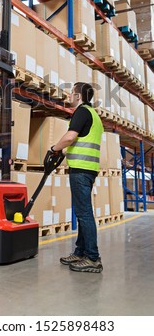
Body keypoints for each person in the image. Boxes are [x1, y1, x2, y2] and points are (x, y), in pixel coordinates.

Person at [51, 82, 104, 273]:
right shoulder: (94, 115)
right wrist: (65, 152)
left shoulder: (81, 112)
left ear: (79, 96)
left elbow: (70, 137)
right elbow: (82, 141)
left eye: (71, 93)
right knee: (83, 213)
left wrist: (54, 149)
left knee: (84, 213)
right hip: (88, 168)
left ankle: (92, 257)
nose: (69, 96)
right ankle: (81, 251)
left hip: (81, 170)